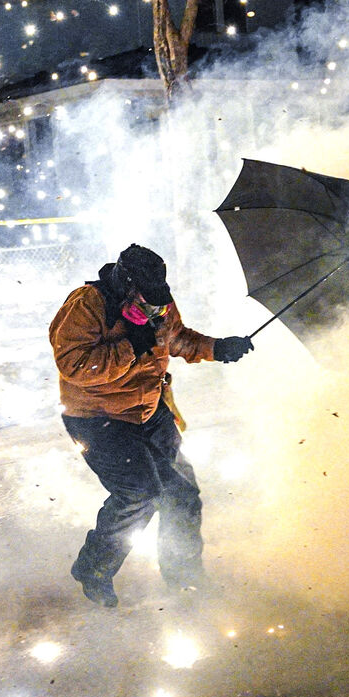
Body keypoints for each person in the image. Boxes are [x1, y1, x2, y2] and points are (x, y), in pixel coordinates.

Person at [49, 243, 254, 607]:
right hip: (98, 418)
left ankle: (184, 576)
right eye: (147, 302)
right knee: (139, 493)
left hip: (149, 410)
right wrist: (131, 346)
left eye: (160, 302)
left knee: (181, 494)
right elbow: (75, 366)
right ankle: (93, 569)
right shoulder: (86, 305)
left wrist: (217, 348)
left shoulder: (158, 301)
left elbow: (176, 338)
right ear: (126, 286)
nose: (156, 310)